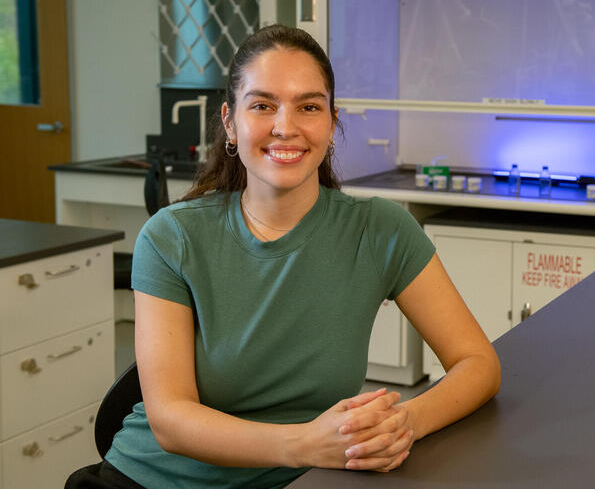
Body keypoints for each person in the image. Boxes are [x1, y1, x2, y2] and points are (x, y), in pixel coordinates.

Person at [66, 24, 501, 489]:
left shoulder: (380, 230)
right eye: (263, 105)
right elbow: (170, 420)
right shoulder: (172, 237)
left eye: (309, 106)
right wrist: (306, 444)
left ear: (332, 123)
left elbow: (478, 363)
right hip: (153, 481)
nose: (286, 126)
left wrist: (405, 422)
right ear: (231, 123)